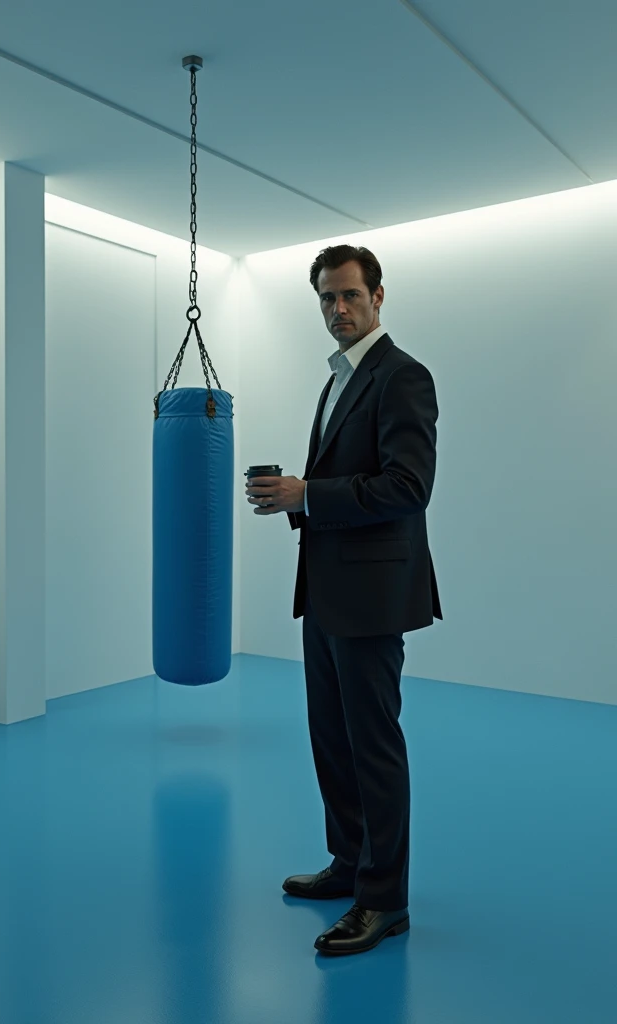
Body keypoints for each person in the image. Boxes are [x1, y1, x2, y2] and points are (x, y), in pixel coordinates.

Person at [245, 244, 442, 956]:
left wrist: (311, 494)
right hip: (326, 590)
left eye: (350, 296)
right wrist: (294, 501)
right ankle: (350, 863)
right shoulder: (336, 382)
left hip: (373, 597)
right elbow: (343, 482)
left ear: (379, 297)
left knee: (374, 747)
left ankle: (385, 901)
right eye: (327, 298)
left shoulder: (403, 377)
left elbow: (408, 487)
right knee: (332, 740)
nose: (337, 309)